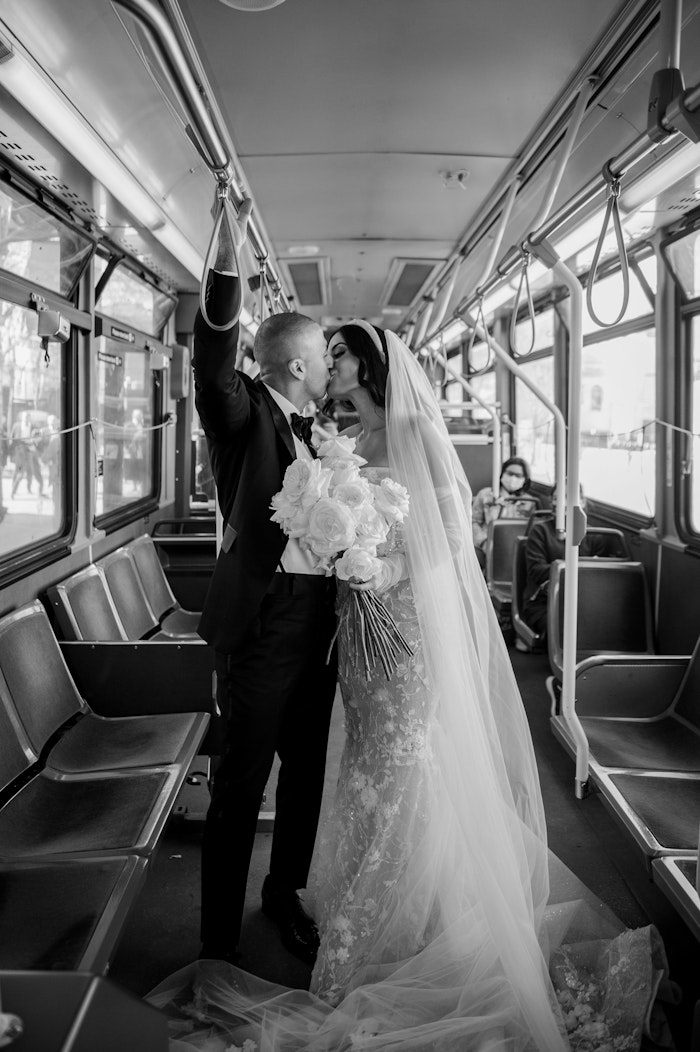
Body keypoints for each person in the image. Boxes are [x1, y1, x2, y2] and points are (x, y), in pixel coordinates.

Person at [150, 322, 670, 1051]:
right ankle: (232, 937)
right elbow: (238, 414)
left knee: (385, 769)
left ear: (368, 362)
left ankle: (363, 911)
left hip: (394, 628)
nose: (330, 364)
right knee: (326, 773)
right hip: (318, 634)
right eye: (323, 356)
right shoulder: (328, 434)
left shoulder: (412, 434)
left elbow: (449, 536)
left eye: (340, 354)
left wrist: (382, 572)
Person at [193, 195, 338, 970]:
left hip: (321, 621)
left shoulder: (325, 434)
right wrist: (228, 260)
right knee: (240, 784)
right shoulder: (244, 411)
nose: (328, 371)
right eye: (321, 359)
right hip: (262, 623)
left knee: (307, 774)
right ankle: (216, 940)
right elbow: (214, 364)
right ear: (291, 364)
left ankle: (284, 895)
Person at [522, 486, 608, 640]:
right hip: (545, 601)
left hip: (584, 601)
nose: (558, 503)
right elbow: (536, 571)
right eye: (556, 498)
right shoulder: (540, 531)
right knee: (568, 630)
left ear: (582, 502)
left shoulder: (595, 536)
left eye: (567, 497)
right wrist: (574, 569)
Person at [471, 456, 538, 570]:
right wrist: (483, 542)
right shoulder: (485, 495)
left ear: (525, 479)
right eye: (510, 473)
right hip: (486, 545)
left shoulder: (529, 502)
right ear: (502, 473)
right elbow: (474, 521)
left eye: (518, 476)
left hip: (515, 548)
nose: (513, 478)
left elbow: (532, 530)